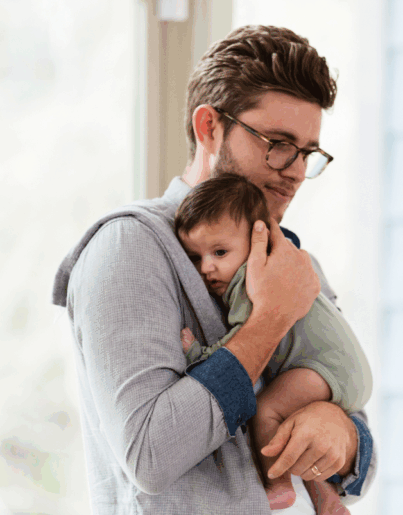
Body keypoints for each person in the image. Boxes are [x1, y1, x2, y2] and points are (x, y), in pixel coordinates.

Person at [52, 25, 376, 514]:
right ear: (209, 128)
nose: (293, 170)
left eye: (307, 153)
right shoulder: (127, 248)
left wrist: (343, 435)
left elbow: (362, 459)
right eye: (278, 143)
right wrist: (268, 321)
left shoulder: (289, 260)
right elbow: (150, 457)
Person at [174, 173, 372, 514]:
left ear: (256, 239)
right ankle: (326, 500)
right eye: (195, 257)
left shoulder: (253, 279)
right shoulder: (286, 264)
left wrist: (199, 354)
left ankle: (278, 485)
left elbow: (245, 339)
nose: (207, 268)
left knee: (268, 410)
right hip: (339, 369)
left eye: (219, 252)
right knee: (299, 427)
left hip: (328, 369)